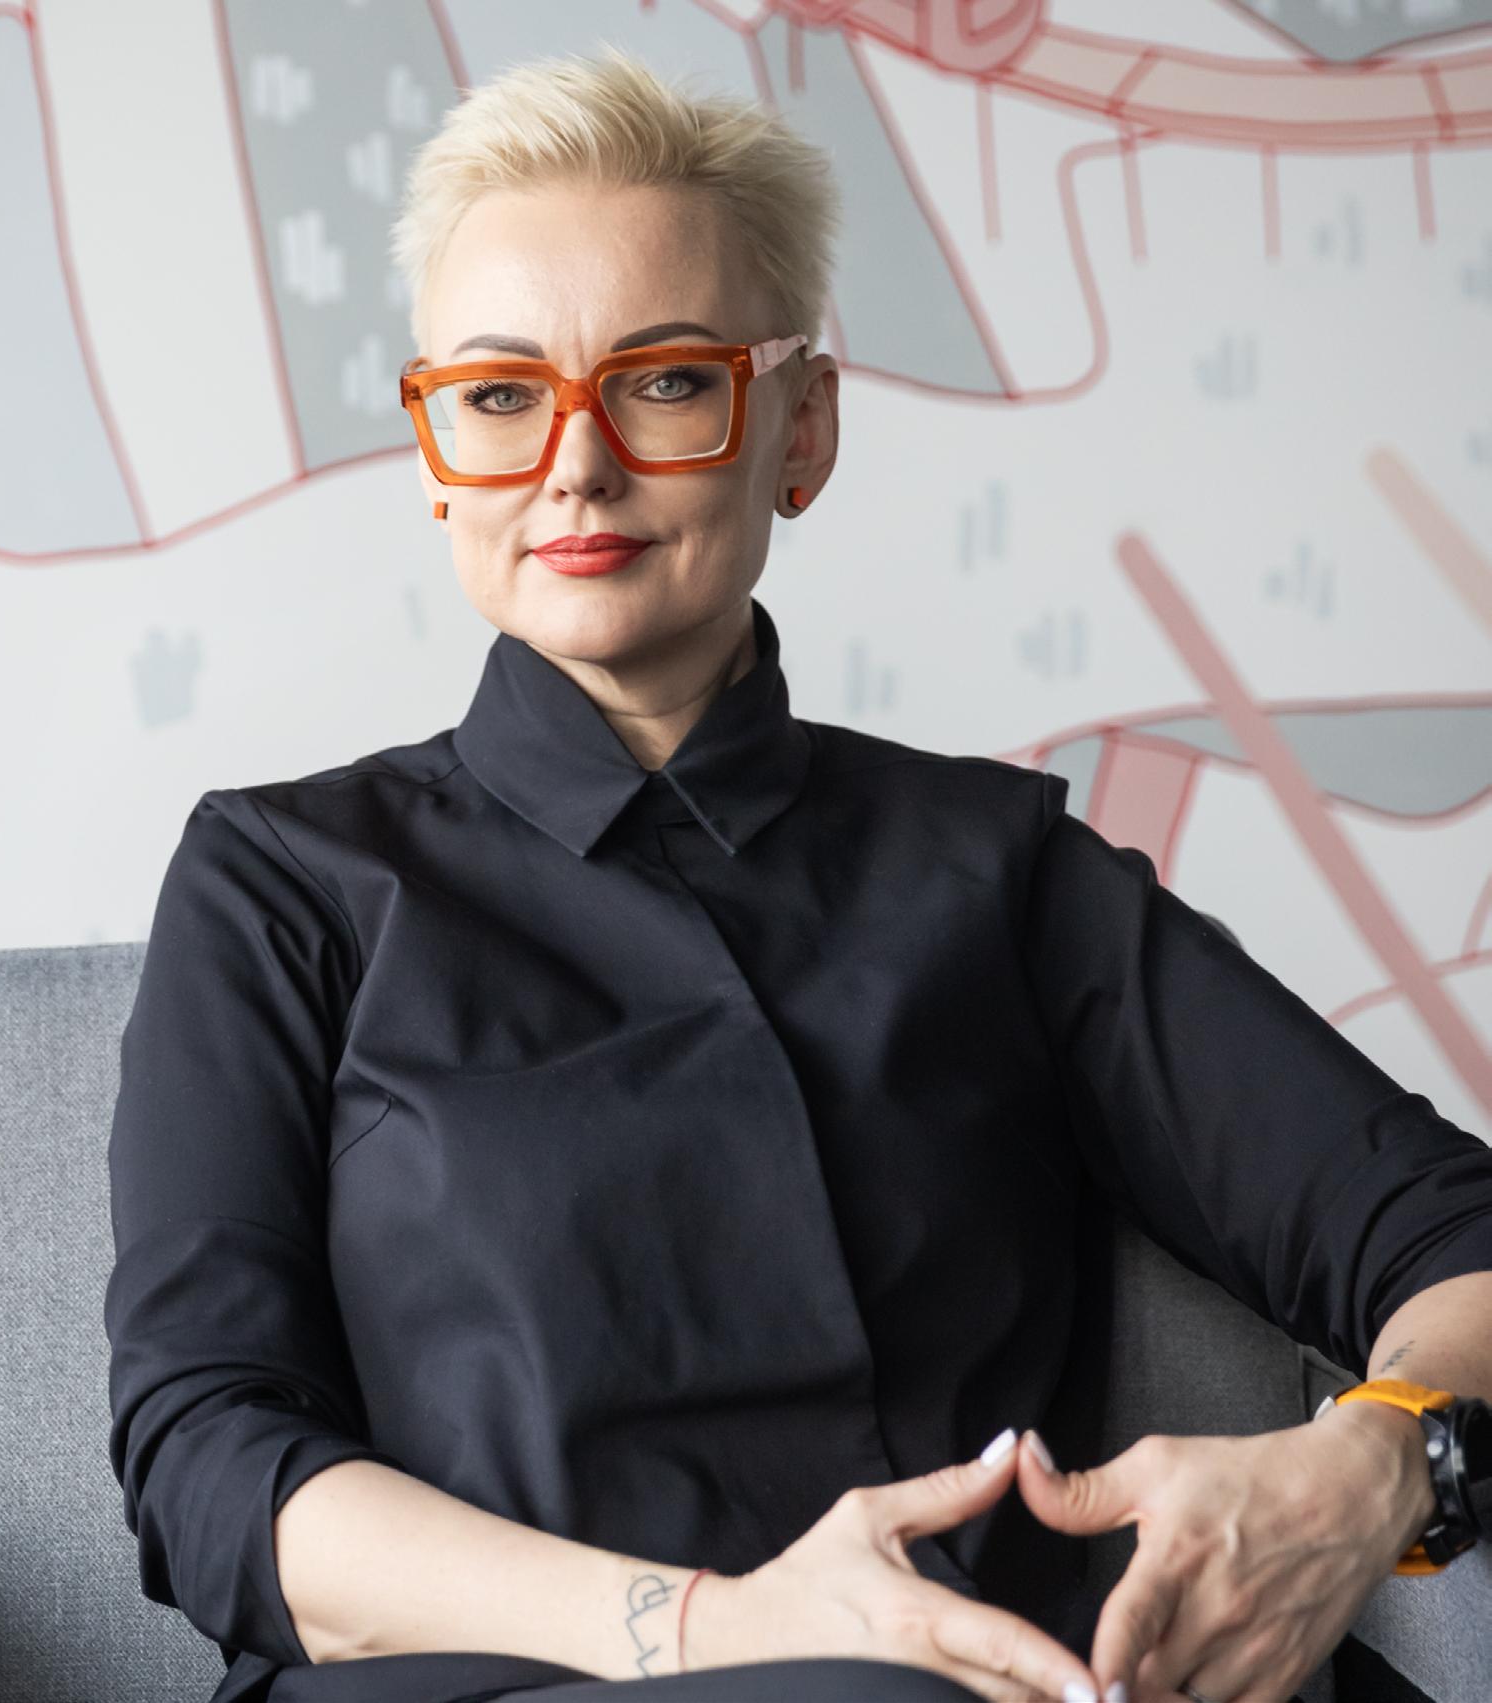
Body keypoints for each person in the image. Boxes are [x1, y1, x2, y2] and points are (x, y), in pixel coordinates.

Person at [103, 45, 1492, 1703]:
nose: (574, 464)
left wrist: (1378, 1462)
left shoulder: (1000, 871)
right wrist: (706, 1627)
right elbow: (209, 1459)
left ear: (802, 428)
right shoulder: (282, 881)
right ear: (432, 449)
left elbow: (1449, 1232)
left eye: (664, 381)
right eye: (498, 397)